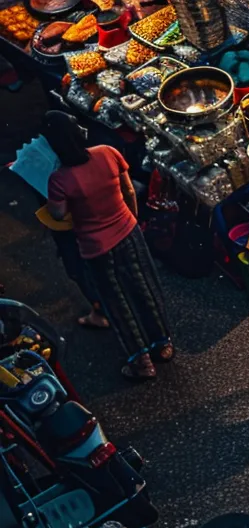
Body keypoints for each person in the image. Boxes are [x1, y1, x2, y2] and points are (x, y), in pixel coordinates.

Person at [44, 111, 173, 380]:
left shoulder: (59, 179)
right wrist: (132, 220)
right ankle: (163, 345)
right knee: (144, 288)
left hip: (96, 247)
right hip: (128, 233)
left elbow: (57, 214)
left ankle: (142, 364)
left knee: (117, 302)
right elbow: (128, 191)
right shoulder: (107, 153)